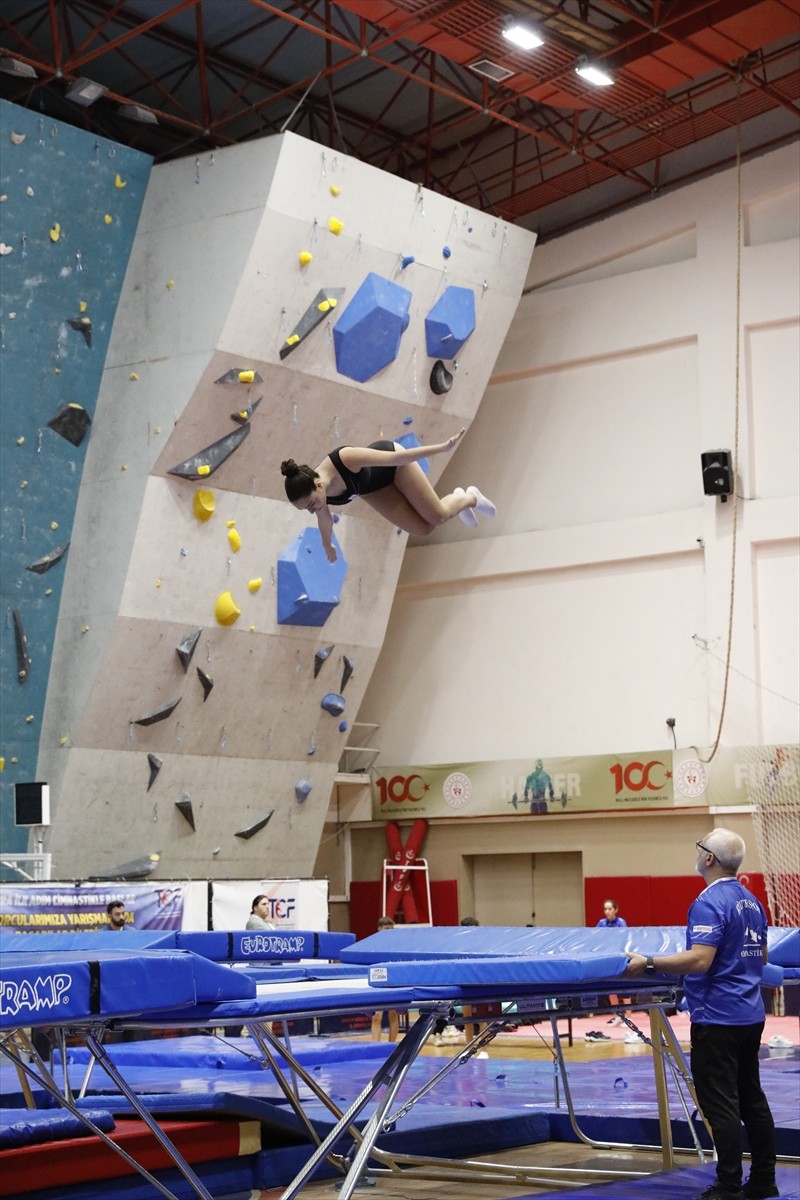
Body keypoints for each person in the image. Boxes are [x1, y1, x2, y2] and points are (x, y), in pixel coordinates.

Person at [625, 828, 777, 1200]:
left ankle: (728, 1185)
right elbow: (761, 958)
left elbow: (699, 960)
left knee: (721, 1104)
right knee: (752, 1098)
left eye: (700, 846)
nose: (697, 852)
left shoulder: (708, 902)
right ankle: (763, 1180)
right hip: (749, 1013)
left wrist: (649, 963)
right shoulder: (752, 902)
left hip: (718, 1017)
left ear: (709, 858)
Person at [281, 430, 495, 563]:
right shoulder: (319, 498)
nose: (312, 510)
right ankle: (460, 502)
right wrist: (327, 546)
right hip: (372, 489)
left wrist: (441, 448)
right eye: (306, 509)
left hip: (395, 467)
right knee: (424, 529)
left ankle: (470, 497)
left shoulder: (344, 459)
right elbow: (325, 522)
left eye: (311, 504)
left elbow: (399, 458)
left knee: (438, 516)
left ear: (317, 484)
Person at [371, 916, 399, 1043]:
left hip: (393, 978)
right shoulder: (373, 944)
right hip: (378, 979)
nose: (389, 932)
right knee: (377, 1015)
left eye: (391, 929)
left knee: (393, 1013)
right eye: (386, 929)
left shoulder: (396, 946)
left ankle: (392, 1046)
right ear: (379, 929)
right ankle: (375, 1046)